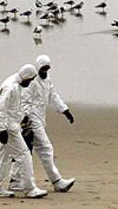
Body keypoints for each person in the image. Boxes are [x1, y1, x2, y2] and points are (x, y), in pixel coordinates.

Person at [9, 55, 76, 193]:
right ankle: (57, 181)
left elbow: (53, 96)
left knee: (25, 150)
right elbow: (25, 101)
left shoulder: (47, 81)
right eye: (44, 68)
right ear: (39, 67)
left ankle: (15, 180)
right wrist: (26, 120)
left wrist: (64, 110)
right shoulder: (32, 81)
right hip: (32, 120)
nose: (46, 71)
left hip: (39, 119)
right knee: (46, 148)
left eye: (47, 68)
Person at [0, 64, 48, 198]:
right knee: (24, 154)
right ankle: (30, 188)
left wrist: (22, 120)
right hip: (10, 127)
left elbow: (12, 108)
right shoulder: (11, 87)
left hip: (11, 125)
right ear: (26, 77)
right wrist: (2, 129)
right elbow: (0, 109)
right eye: (31, 79)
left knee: (3, 157)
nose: (31, 82)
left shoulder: (14, 83)